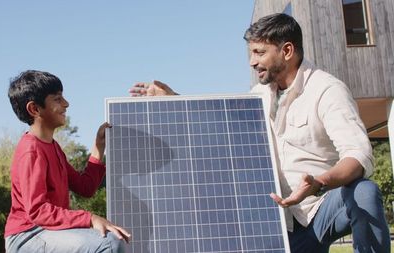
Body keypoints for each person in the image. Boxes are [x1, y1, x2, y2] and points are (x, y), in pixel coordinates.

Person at [129, 13, 390, 253]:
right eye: (251, 53)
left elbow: (358, 156)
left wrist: (318, 183)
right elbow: (220, 123)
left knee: (364, 191)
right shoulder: (259, 96)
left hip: (318, 209)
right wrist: (173, 98)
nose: (253, 61)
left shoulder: (327, 91)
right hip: (276, 223)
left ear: (287, 50)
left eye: (259, 52)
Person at [5, 70, 130, 253]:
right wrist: (90, 218)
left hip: (46, 231)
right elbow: (38, 210)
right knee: (109, 243)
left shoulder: (53, 147)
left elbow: (85, 187)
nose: (66, 104)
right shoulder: (31, 150)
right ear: (34, 109)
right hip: (27, 236)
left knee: (111, 239)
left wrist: (98, 147)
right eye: (57, 99)